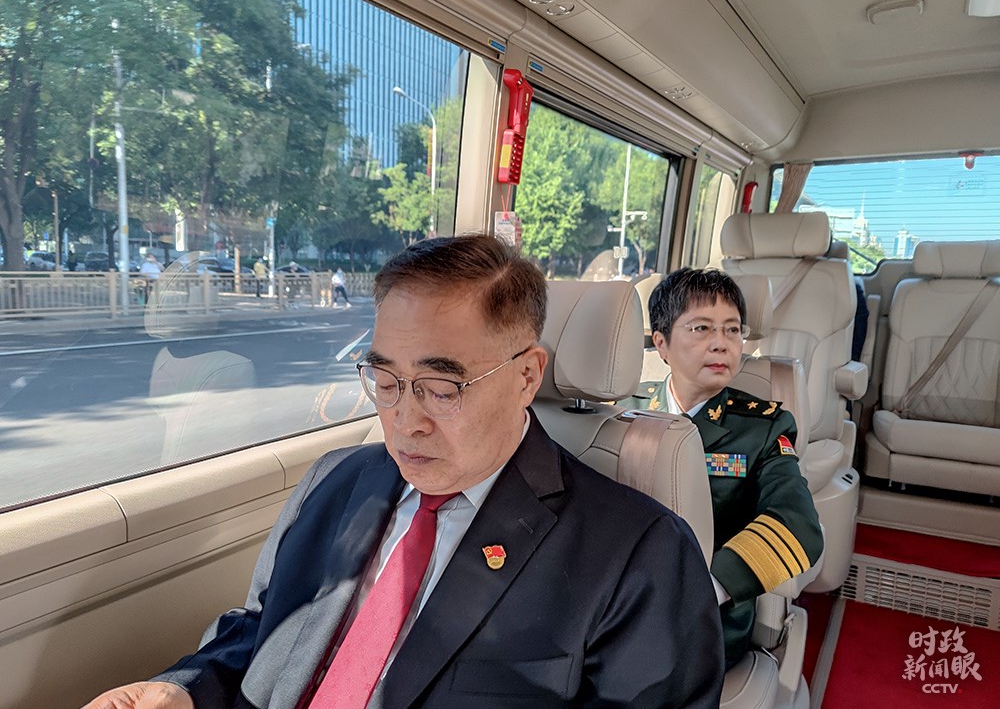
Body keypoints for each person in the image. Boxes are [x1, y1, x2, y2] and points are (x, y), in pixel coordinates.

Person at [83, 235, 724, 709]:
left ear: (528, 375)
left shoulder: (637, 553)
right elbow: (262, 630)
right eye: (385, 379)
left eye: (441, 388)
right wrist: (186, 690)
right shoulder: (334, 483)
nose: (404, 421)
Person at [618, 267, 823, 668]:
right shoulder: (624, 411)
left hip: (705, 615)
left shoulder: (763, 427)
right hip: (617, 600)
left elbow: (798, 523)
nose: (721, 344)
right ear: (662, 343)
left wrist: (707, 588)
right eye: (701, 329)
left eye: (732, 330)